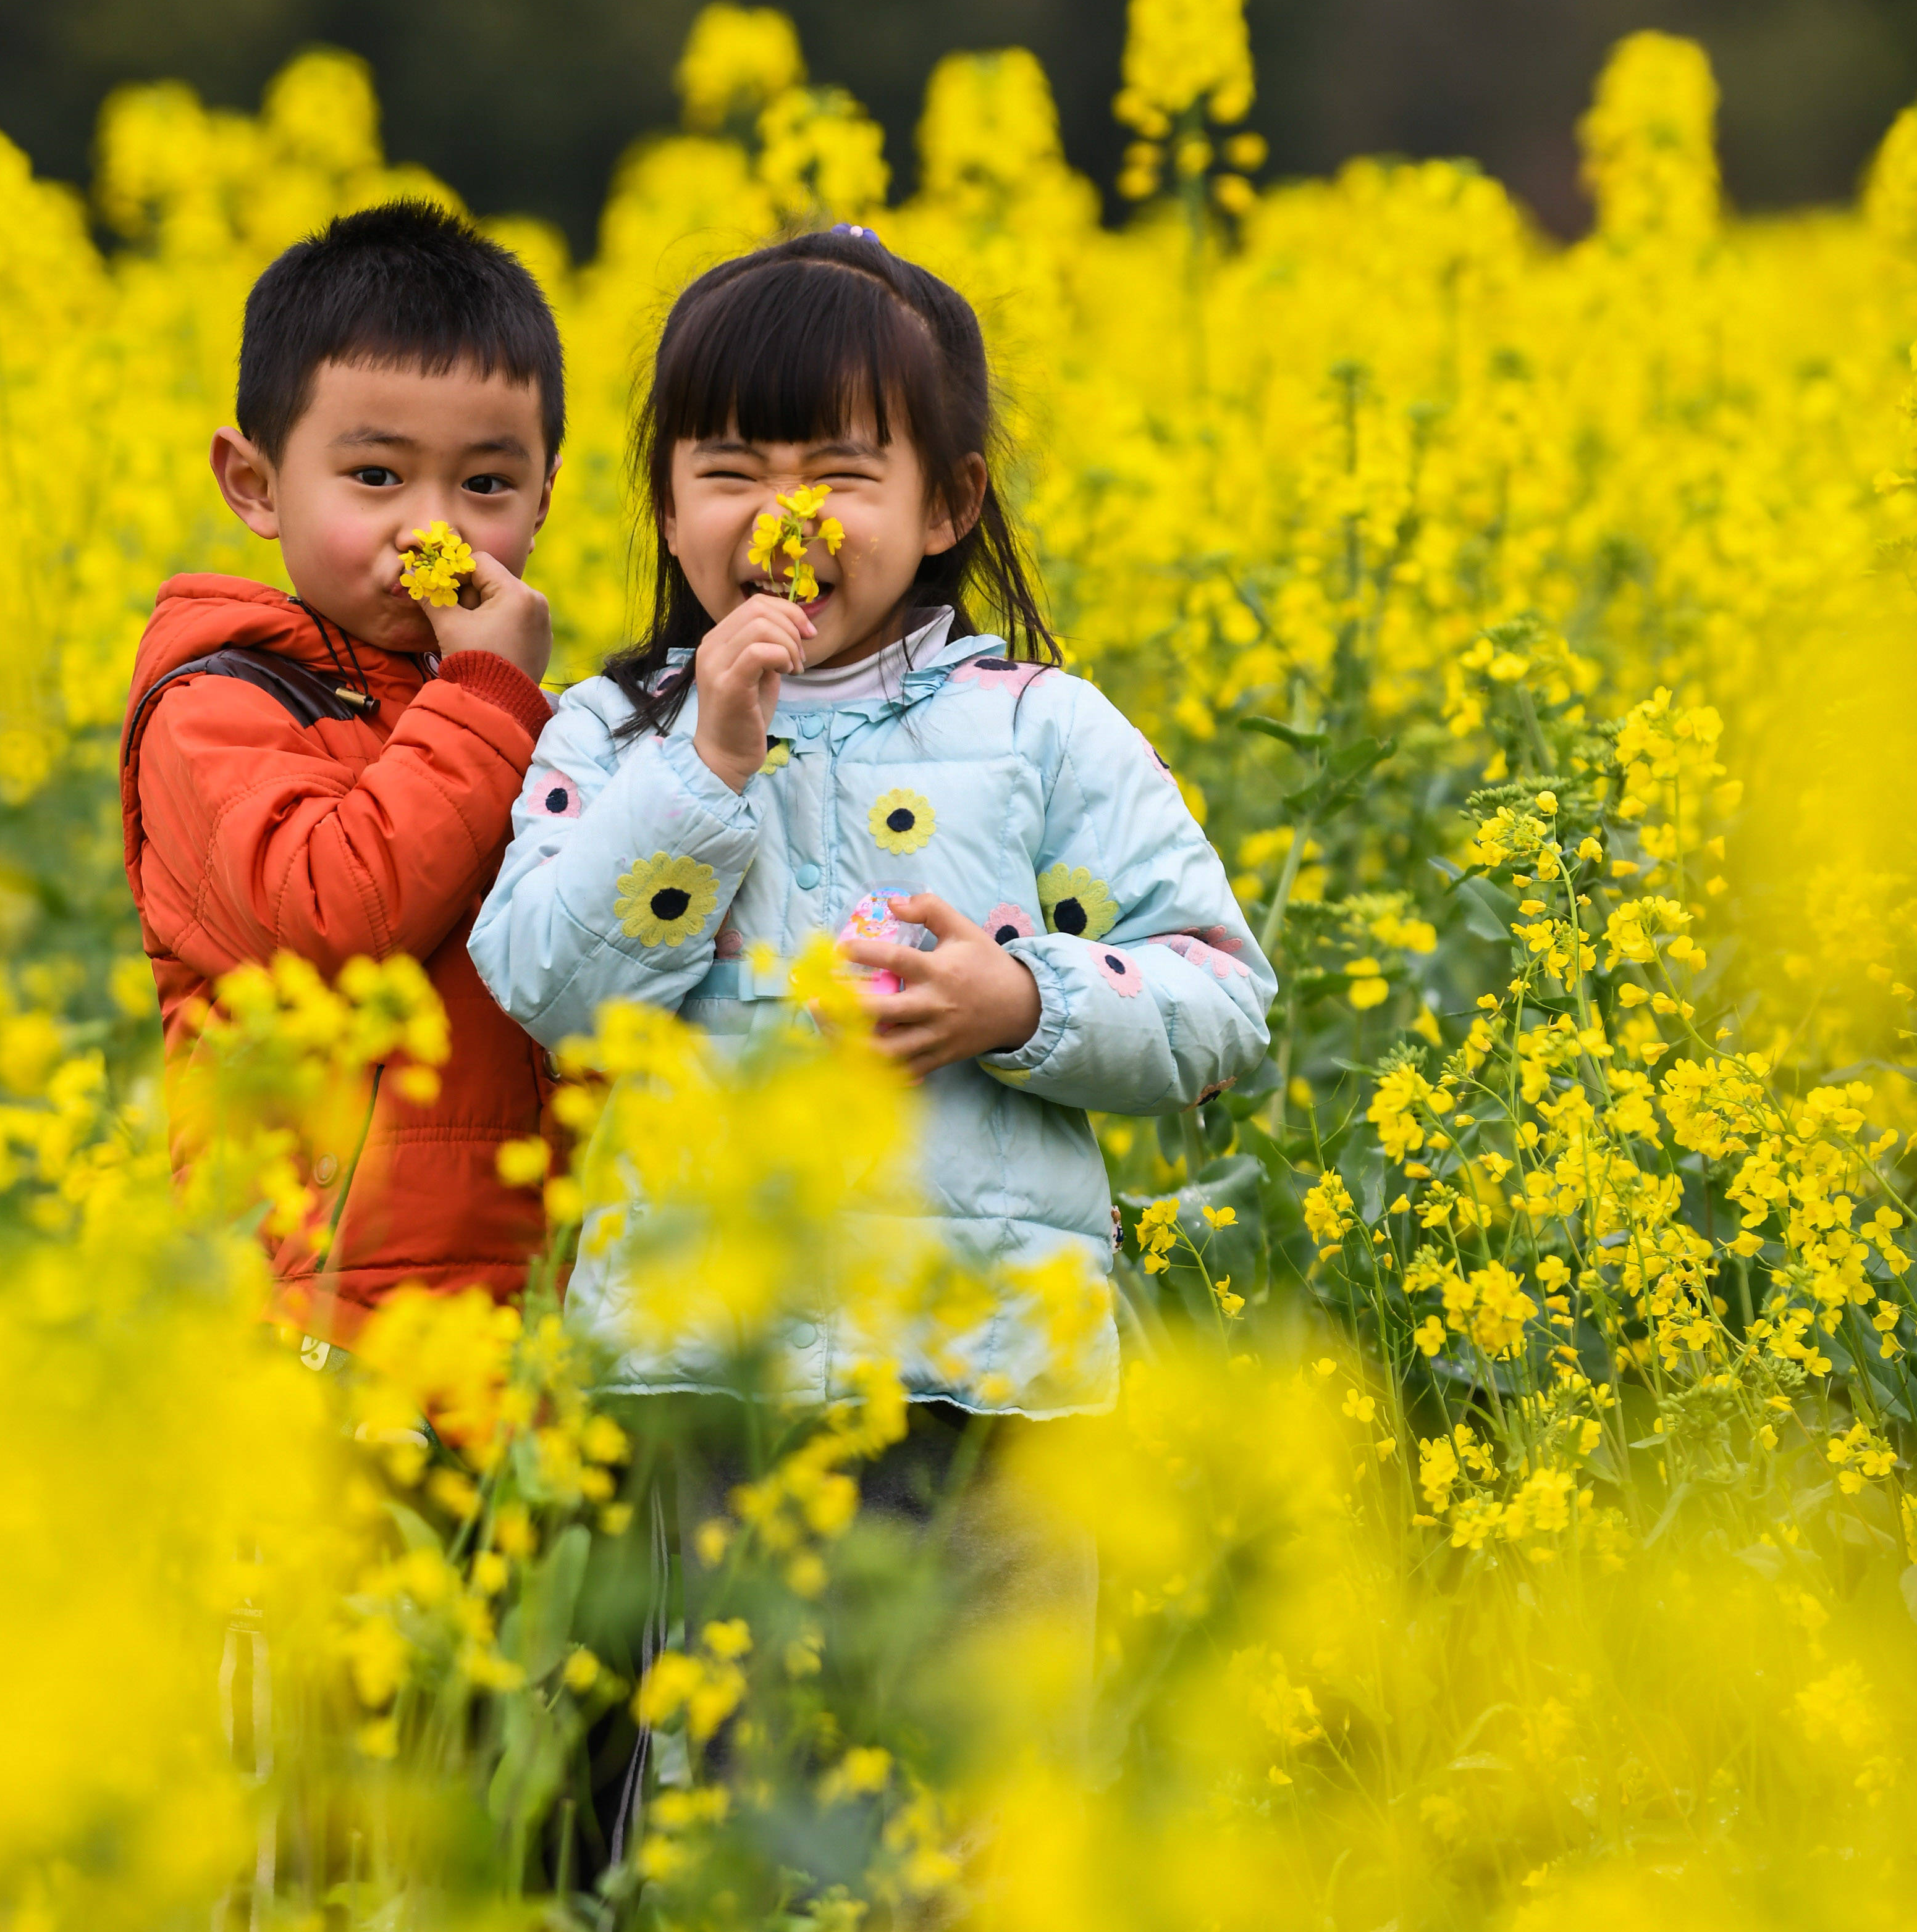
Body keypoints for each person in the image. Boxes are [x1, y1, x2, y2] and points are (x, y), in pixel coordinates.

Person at [469, 222, 1276, 1464]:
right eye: (731, 471)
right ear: (669, 509)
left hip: (987, 1389)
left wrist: (1019, 1003)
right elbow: (548, 991)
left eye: (840, 473)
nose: (785, 517)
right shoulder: (612, 733)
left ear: (949, 504)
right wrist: (705, 769)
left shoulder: (1043, 729)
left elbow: (1222, 1000)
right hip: (694, 1382)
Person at [120, 196, 561, 1338]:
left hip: (533, 1341)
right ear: (254, 484)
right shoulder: (216, 706)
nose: (434, 535)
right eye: (375, 477)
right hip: (316, 1336)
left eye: (487, 488)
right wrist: (487, 701)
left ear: (547, 494)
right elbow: (334, 915)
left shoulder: (530, 716)